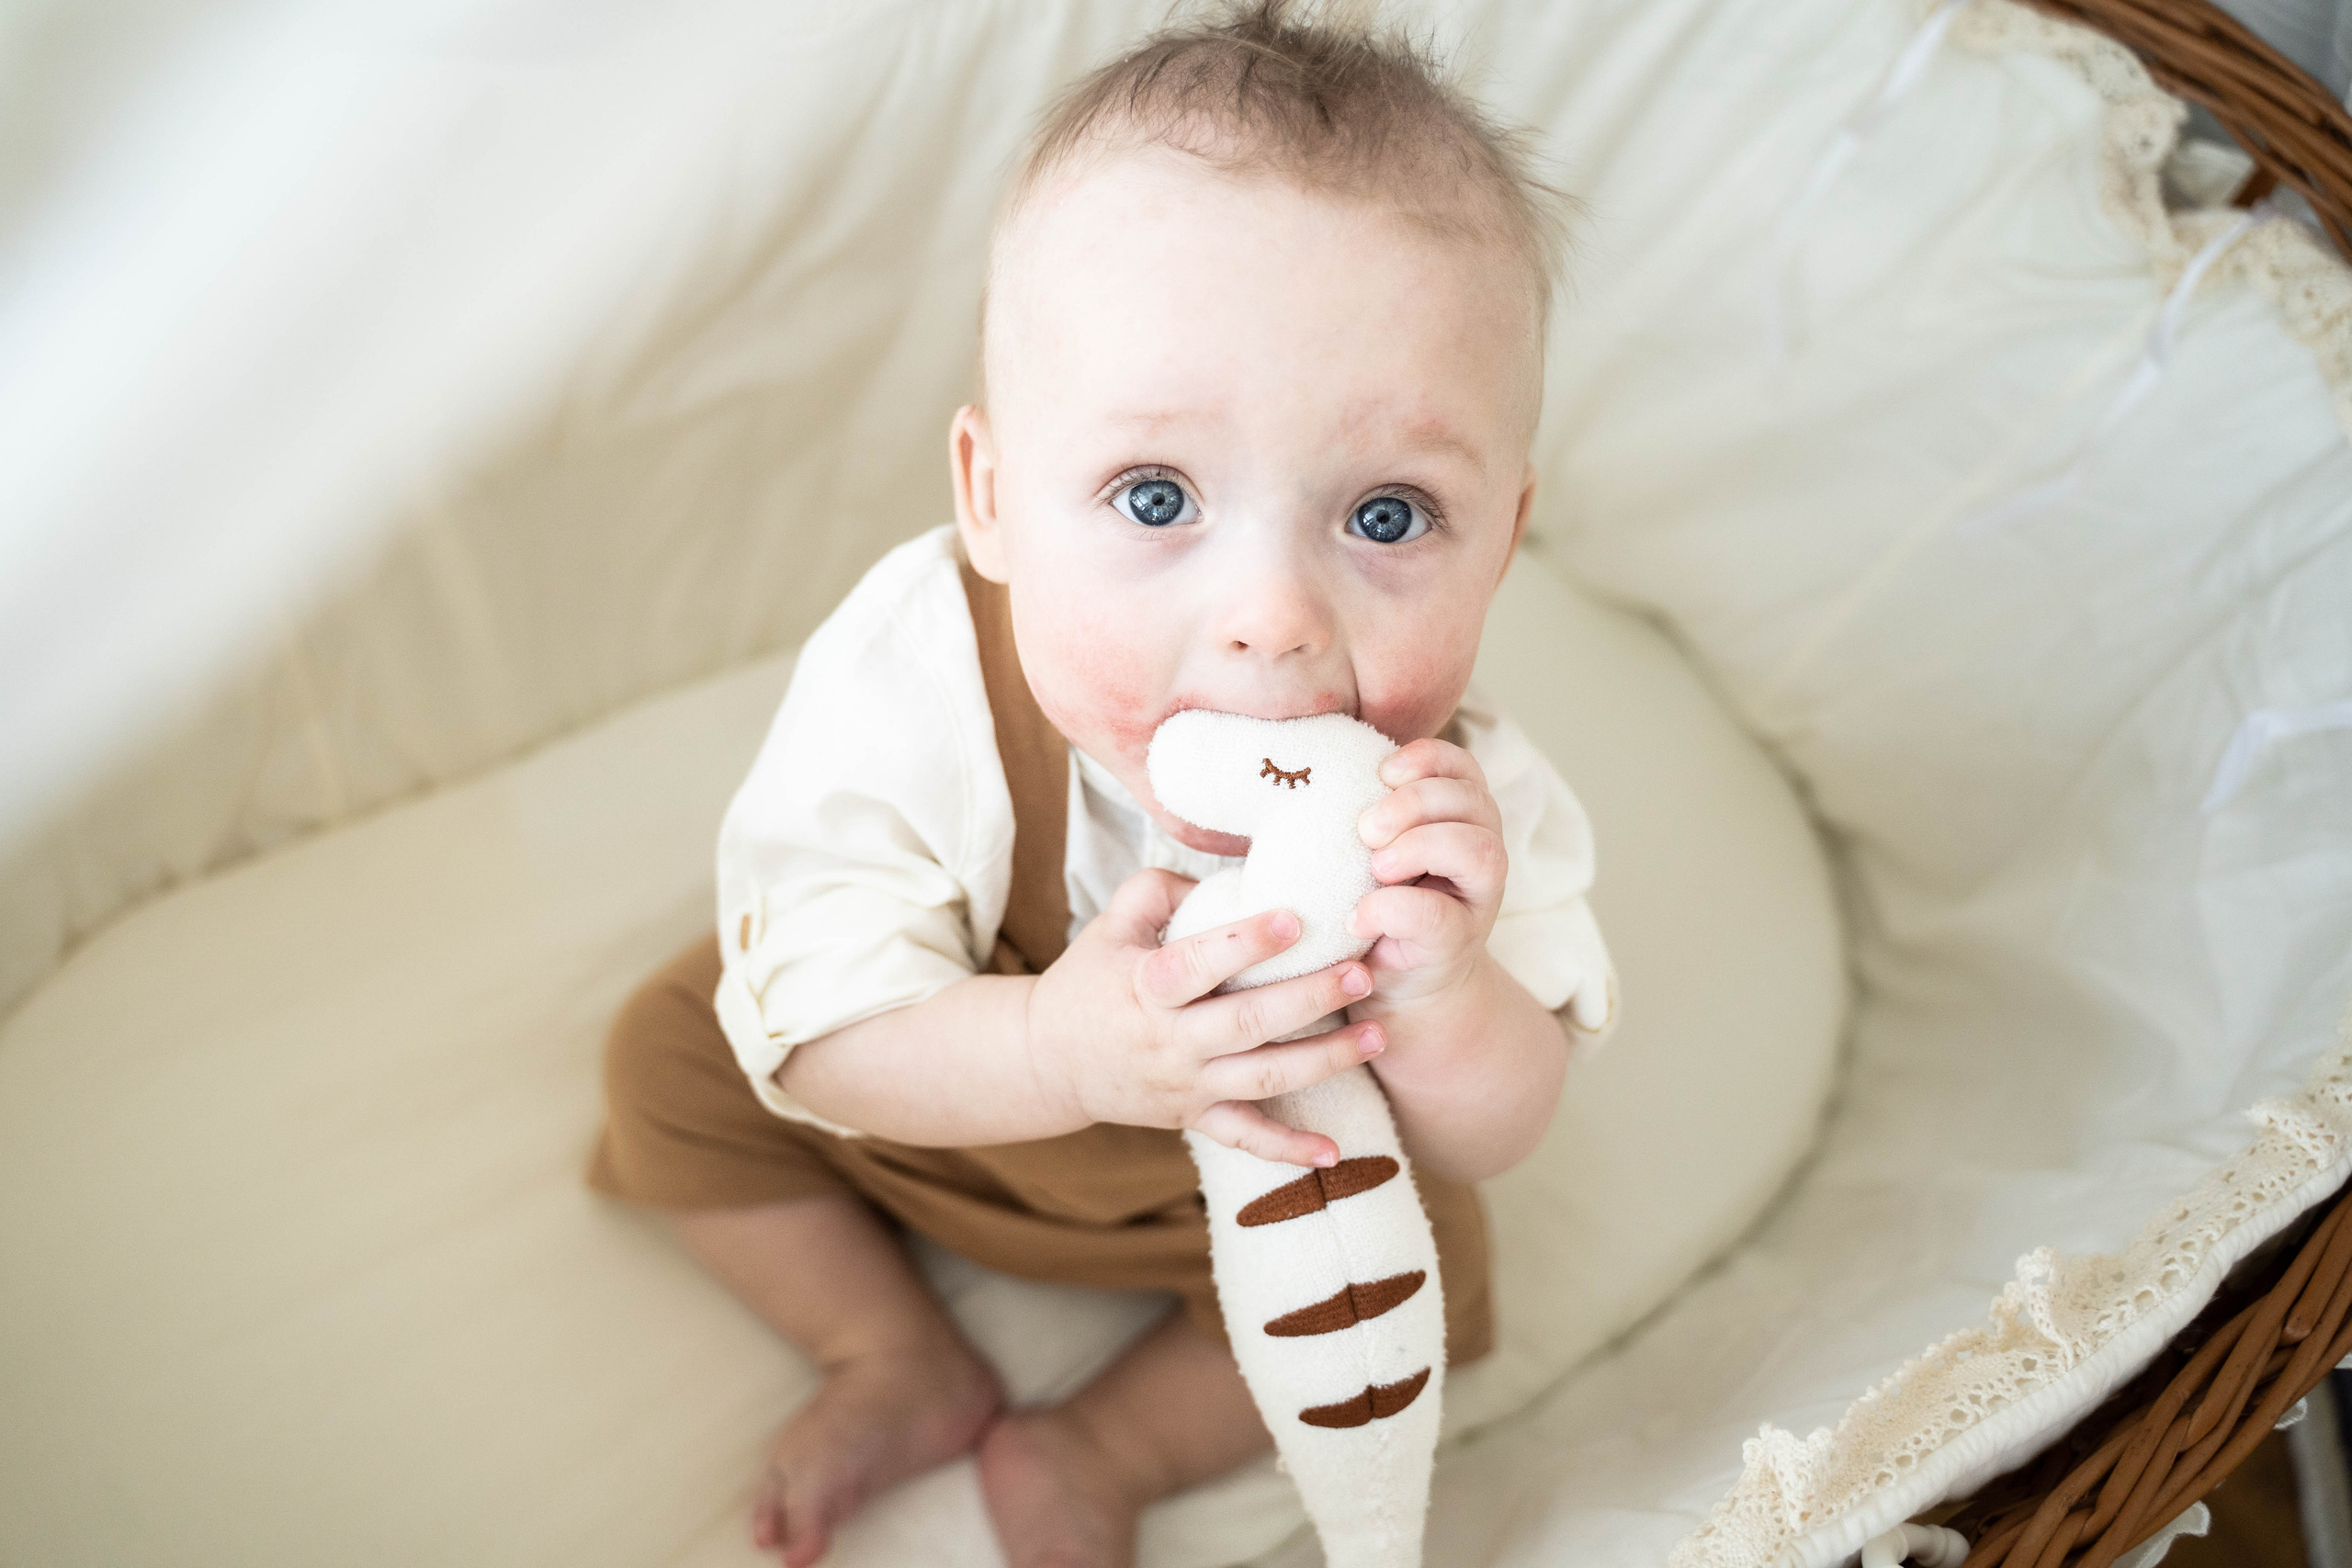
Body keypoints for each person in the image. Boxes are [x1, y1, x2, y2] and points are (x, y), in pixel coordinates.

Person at [590, 4, 1616, 1563]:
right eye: (1157, 496)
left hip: (1245, 1189)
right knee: (675, 1063)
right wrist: (1057, 1049)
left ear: (1507, 533)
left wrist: (1453, 991)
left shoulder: (1449, 802)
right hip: (943, 1105)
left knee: (1441, 1266)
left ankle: (1107, 1447)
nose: (1273, 620)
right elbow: (828, 1032)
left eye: (1392, 518)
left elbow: (1499, 1127)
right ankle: (892, 1353)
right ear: (993, 501)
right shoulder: (917, 681)